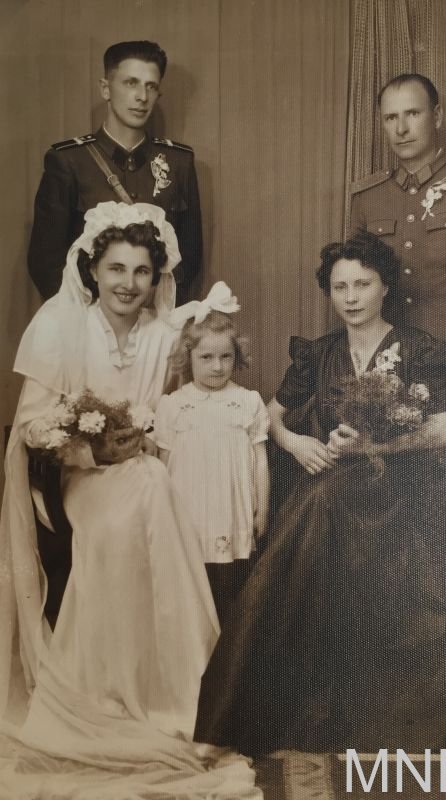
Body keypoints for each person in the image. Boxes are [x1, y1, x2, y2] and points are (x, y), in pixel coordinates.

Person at [0, 202, 259, 798]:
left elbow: (191, 400)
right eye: (116, 268)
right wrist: (86, 446)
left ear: (155, 277)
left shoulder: (164, 335)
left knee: (154, 487)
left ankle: (171, 691)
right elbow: (32, 427)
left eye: (142, 271)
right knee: (125, 514)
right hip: (76, 477)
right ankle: (105, 688)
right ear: (93, 270)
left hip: (143, 469)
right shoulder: (58, 328)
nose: (128, 283)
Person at [195, 232, 446, 756]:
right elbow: (270, 416)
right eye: (340, 287)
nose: (351, 297)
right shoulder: (319, 354)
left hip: (398, 496)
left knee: (324, 506)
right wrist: (298, 444)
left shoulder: (419, 349)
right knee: (321, 504)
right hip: (330, 490)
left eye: (363, 284)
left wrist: (375, 445)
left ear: (386, 286)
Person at [350, 73, 446, 638]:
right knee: (404, 491)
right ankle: (417, 617)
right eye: (391, 117)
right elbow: (358, 283)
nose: (401, 128)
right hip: (398, 369)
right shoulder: (368, 196)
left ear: (436, 116)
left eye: (412, 114)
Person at [28, 40, 202, 305]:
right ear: (105, 89)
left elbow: (190, 256)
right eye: (131, 83)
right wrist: (86, 316)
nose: (142, 96)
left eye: (151, 86)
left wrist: (156, 308)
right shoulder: (68, 161)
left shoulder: (178, 162)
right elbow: (45, 262)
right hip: (86, 318)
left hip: (155, 319)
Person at [155, 286, 270, 624]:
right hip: (188, 512)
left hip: (231, 511)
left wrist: (262, 509)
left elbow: (260, 462)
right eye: (206, 357)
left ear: (237, 356)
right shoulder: (174, 405)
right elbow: (163, 466)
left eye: (226, 357)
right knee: (188, 591)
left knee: (230, 593)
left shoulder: (247, 401)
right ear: (188, 358)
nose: (218, 367)